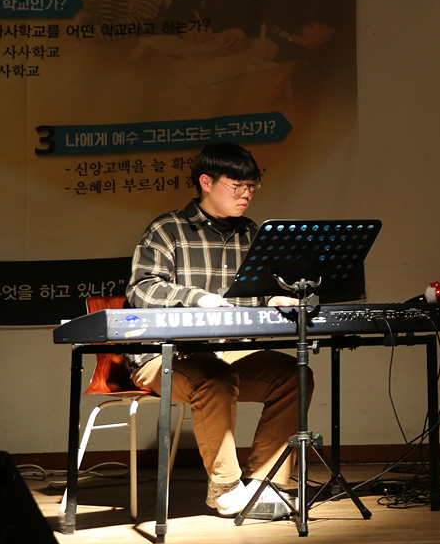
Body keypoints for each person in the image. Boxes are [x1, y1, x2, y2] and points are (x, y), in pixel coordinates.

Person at [126, 143, 308, 518]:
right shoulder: (168, 229)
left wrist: (272, 299)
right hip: (163, 356)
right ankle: (225, 488)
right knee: (215, 379)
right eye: (237, 185)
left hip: (227, 351)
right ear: (206, 182)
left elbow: (255, 293)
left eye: (252, 186)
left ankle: (266, 484)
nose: (246, 194)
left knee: (294, 375)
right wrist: (196, 298)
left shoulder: (251, 233)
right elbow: (142, 289)